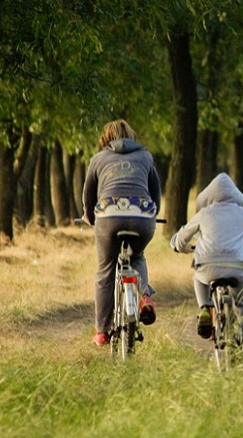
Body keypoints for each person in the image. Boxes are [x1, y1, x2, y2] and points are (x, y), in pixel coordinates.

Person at [82, 119, 161, 347]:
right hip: (142, 216)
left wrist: (90, 218)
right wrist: (152, 214)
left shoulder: (98, 159)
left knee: (105, 270)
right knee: (137, 256)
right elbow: (155, 192)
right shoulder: (146, 157)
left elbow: (89, 196)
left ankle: (102, 331)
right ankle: (144, 296)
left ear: (106, 138)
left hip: (108, 216)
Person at [170, 173, 243, 348]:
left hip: (208, 268)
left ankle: (204, 308)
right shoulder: (241, 212)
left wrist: (179, 246)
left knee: (199, 279)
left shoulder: (204, 213)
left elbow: (182, 238)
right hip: (235, 266)